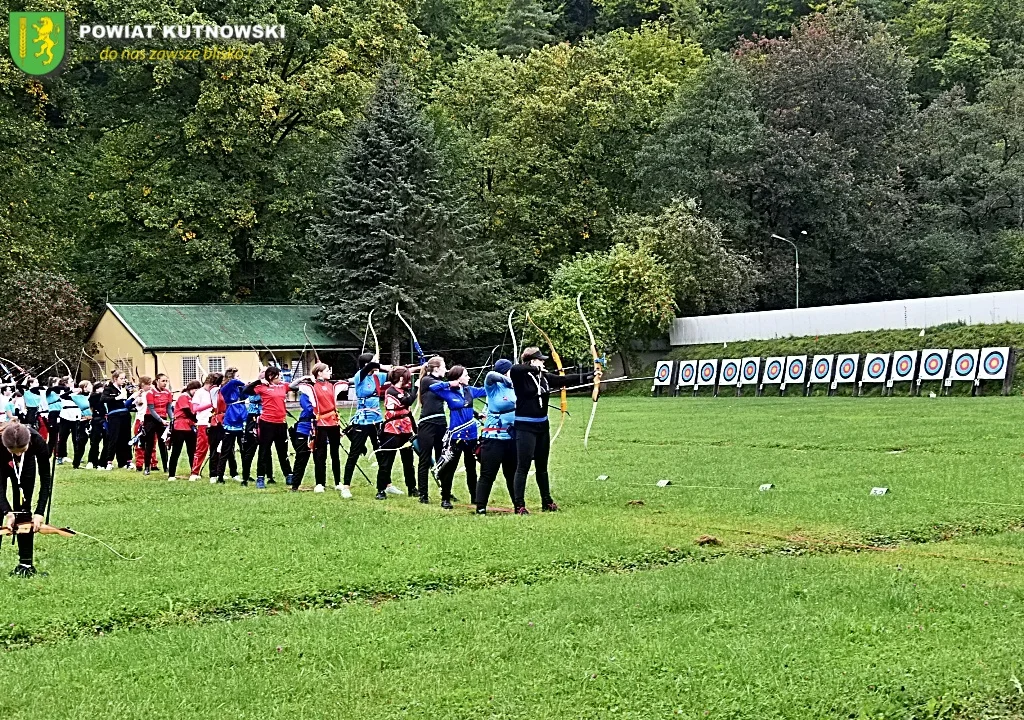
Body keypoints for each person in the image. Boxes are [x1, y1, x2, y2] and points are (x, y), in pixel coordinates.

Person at [508, 347, 588, 514]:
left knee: (542, 466)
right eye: (540, 359)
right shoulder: (520, 376)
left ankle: (547, 501)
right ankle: (519, 505)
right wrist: (533, 368)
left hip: (542, 426)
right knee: (523, 467)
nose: (544, 362)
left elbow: (564, 380)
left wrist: (589, 376)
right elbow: (515, 368)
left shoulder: (544, 377)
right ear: (531, 361)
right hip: (525, 426)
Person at [0, 422, 53, 576]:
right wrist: (7, 512)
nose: (17, 455)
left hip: (26, 467)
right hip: (1, 464)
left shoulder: (37, 441)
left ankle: (25, 564)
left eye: (21, 450)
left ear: (28, 442)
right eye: (13, 451)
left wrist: (40, 512)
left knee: (24, 509)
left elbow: (45, 479)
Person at [430, 365, 486, 510]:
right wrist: (449, 383)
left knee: (471, 468)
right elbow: (433, 388)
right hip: (456, 436)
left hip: (471, 435)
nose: (469, 377)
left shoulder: (469, 390)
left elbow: (486, 390)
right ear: (458, 378)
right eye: (466, 375)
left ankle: (475, 497)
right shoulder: (448, 392)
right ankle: (445, 498)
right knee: (450, 468)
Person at [342, 353, 393, 499]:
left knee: (381, 452)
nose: (376, 364)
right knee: (354, 453)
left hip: (376, 420)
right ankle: (346, 486)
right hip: (362, 421)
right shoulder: (360, 376)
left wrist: (420, 367)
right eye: (374, 362)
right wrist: (381, 366)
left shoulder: (378, 377)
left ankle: (386, 485)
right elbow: (371, 366)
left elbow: (396, 374)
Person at [475, 359, 518, 514]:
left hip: (512, 437)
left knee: (512, 473)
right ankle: (480, 507)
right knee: (488, 473)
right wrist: (507, 380)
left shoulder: (515, 386)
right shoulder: (493, 386)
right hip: (493, 438)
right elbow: (491, 374)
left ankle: (518, 505)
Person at [242, 366, 293, 490]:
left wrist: (305, 378)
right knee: (264, 451)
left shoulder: (283, 386)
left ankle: (289, 475)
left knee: (282, 451)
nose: (280, 378)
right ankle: (260, 477)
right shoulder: (262, 387)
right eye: (278, 375)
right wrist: (258, 381)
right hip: (267, 423)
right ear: (271, 377)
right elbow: (246, 390)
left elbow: (294, 386)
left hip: (281, 423)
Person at [375, 366, 418, 500]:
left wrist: (415, 430)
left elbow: (408, 410)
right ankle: (381, 489)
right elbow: (407, 401)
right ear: (400, 379)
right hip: (392, 430)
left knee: (408, 461)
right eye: (406, 378)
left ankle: (412, 487)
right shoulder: (391, 391)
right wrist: (416, 387)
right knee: (387, 461)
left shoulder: (404, 391)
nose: (409, 381)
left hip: (405, 430)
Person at [304, 363, 347, 493]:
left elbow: (346, 383)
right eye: (327, 370)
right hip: (321, 423)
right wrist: (309, 378)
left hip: (333, 422)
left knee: (335, 453)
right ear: (319, 373)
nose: (330, 372)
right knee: (320, 454)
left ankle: (338, 482)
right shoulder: (311, 386)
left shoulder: (332, 385)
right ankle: (320, 483)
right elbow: (295, 386)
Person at [414, 356, 447, 504]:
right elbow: (440, 385)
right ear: (436, 368)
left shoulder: (441, 383)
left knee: (443, 459)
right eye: (443, 365)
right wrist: (454, 382)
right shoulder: (427, 380)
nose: (445, 368)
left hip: (441, 423)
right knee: (425, 459)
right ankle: (423, 494)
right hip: (427, 424)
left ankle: (445, 492)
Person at [212, 368, 244, 483]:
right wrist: (241, 382)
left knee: (243, 449)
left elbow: (247, 392)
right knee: (226, 450)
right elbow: (233, 382)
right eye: (238, 375)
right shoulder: (226, 388)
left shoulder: (238, 388)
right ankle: (219, 476)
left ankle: (244, 475)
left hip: (240, 419)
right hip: (231, 420)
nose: (239, 377)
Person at [190, 373, 222, 482]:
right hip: (203, 423)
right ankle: (194, 472)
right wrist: (211, 404)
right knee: (201, 448)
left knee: (217, 449)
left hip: (215, 423)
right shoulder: (200, 393)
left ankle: (217, 471)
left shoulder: (217, 392)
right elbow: (194, 409)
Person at [167, 380, 201, 481]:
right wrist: (197, 420)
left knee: (192, 450)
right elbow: (187, 412)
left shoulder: (192, 398)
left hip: (190, 426)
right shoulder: (183, 397)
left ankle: (194, 472)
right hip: (180, 426)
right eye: (195, 389)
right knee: (176, 451)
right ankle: (171, 474)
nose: (196, 392)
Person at [289, 374, 316, 492]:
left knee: (320, 457)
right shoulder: (305, 395)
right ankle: (295, 485)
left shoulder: (319, 392)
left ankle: (321, 483)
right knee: (301, 456)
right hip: (304, 427)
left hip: (318, 427)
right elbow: (310, 409)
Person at [141, 373, 172, 475]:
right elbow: (151, 409)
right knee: (149, 443)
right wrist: (161, 420)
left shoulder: (168, 393)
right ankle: (147, 467)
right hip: (151, 418)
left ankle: (166, 467)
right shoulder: (150, 393)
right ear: (157, 381)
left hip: (162, 418)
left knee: (163, 443)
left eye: (166, 381)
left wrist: (172, 418)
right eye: (163, 381)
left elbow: (168, 408)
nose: (165, 383)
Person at [102, 371, 132, 470]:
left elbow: (127, 402)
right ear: (115, 379)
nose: (123, 380)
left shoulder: (124, 389)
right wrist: (116, 398)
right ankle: (109, 462)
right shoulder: (108, 388)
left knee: (126, 438)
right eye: (121, 378)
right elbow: (103, 399)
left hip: (125, 415)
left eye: (124, 378)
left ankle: (127, 461)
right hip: (114, 415)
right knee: (113, 438)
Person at [66, 381, 93, 470]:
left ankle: (92, 461)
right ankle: (76, 462)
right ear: (84, 387)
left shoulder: (92, 396)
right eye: (89, 385)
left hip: (93, 420)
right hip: (83, 421)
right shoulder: (77, 397)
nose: (91, 386)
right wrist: (73, 391)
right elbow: (63, 396)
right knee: (82, 442)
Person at [86, 380, 107, 469]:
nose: (102, 389)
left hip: (105, 419)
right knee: (95, 441)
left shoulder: (105, 396)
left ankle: (103, 461)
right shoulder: (94, 396)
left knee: (107, 441)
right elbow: (94, 398)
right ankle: (92, 460)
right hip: (97, 420)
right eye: (100, 388)